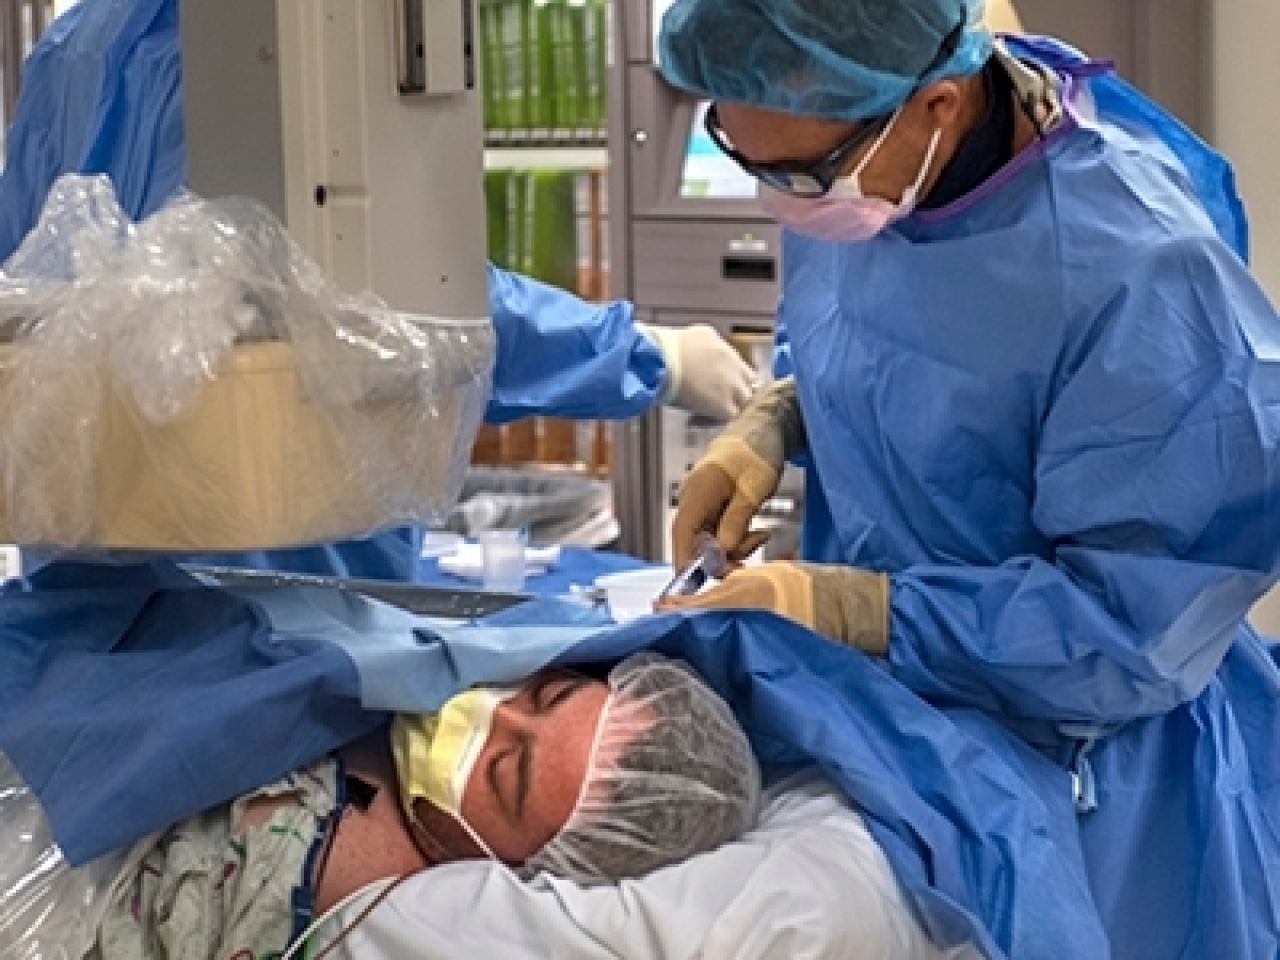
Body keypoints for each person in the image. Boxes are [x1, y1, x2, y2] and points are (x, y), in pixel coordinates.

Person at [654, 0, 1280, 957]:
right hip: (899, 725)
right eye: (747, 161)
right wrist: (778, 418)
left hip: (1092, 774)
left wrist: (868, 614)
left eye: (800, 174)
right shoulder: (866, 172)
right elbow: (895, 358)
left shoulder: (1145, 277)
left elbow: (1132, 629)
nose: (783, 203)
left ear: (939, 106)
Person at [0, 0, 756, 581]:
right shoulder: (285, 39)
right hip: (265, 592)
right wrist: (645, 353)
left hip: (92, 590)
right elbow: (372, 311)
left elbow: (31, 294)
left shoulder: (79, 44)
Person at [85, 651, 760, 960]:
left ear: (515, 866)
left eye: (502, 770)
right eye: (544, 696)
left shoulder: (316, 873)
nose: (487, 713)